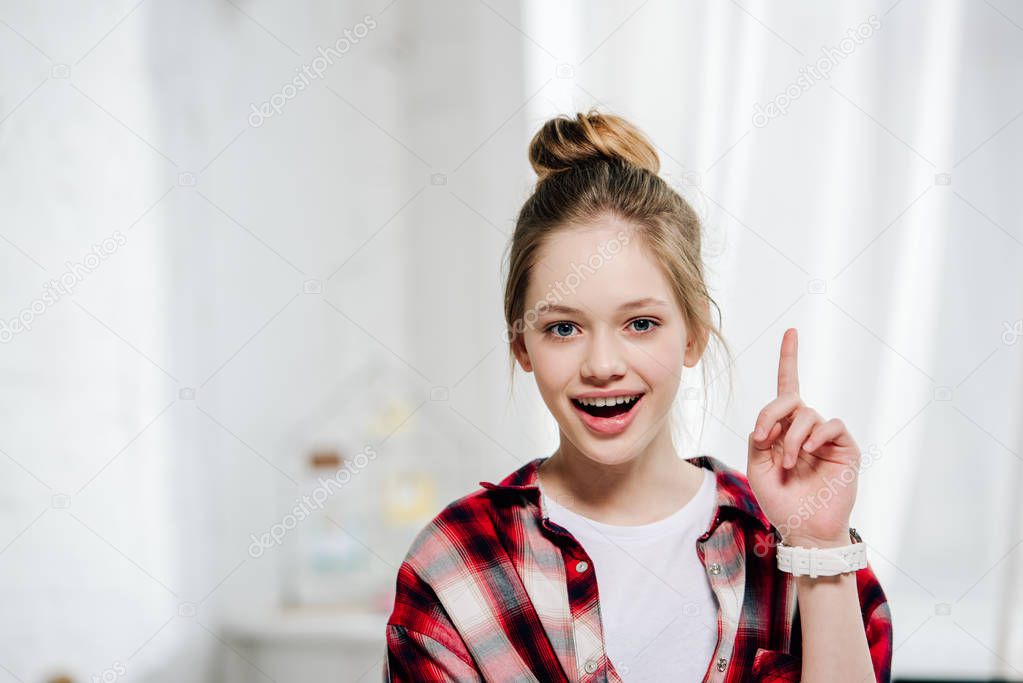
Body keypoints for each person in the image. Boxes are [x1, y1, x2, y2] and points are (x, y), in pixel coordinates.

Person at [382, 110, 892, 682]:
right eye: (563, 328)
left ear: (694, 333)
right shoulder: (454, 568)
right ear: (520, 345)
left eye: (641, 324)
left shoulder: (798, 544)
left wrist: (818, 546)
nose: (602, 366)